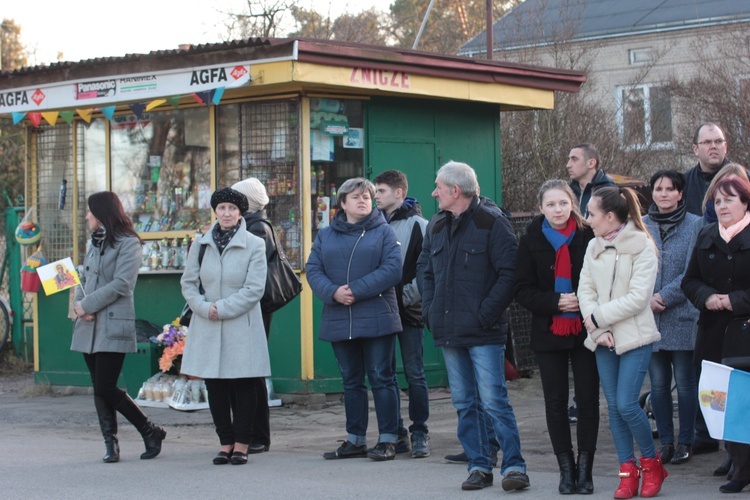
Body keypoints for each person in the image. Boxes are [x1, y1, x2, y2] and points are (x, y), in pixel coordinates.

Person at [417, 161, 530, 492]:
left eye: (438, 186)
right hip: (449, 330)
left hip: (484, 331)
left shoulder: (493, 223)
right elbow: (425, 269)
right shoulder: (436, 224)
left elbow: (510, 273)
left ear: (455, 190)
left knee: (494, 400)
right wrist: (430, 309)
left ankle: (514, 466)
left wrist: (485, 315)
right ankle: (479, 465)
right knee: (465, 402)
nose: (433, 192)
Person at [578, 186, 667, 499]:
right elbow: (584, 291)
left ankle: (651, 463)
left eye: (591, 213)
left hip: (635, 338)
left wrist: (598, 318)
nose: (587, 218)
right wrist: (597, 330)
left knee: (627, 404)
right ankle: (627, 472)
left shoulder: (642, 245)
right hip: (603, 339)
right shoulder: (592, 247)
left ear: (611, 216)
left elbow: (638, 298)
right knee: (614, 409)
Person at [306, 177, 403, 462]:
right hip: (339, 316)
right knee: (351, 381)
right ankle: (355, 439)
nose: (363, 201)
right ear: (343, 203)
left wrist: (355, 291)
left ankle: (388, 439)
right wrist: (333, 292)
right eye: (357, 197)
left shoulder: (384, 232)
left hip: (377, 317)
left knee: (381, 378)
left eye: (368, 197)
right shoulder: (325, 235)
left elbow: (393, 269)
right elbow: (313, 270)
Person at [513, 179, 599, 494]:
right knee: (555, 402)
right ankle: (566, 469)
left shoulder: (589, 234)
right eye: (551, 204)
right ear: (541, 208)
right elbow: (521, 288)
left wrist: (582, 301)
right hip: (548, 330)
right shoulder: (530, 239)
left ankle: (586, 470)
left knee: (588, 400)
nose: (558, 210)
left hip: (586, 328)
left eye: (563, 203)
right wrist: (555, 302)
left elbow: (604, 279)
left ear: (572, 203)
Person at [71, 191, 166, 463]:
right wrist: (80, 306)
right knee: (98, 386)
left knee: (106, 386)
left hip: (112, 325)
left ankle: (149, 430)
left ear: (102, 213)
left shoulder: (129, 243)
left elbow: (123, 284)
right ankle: (110, 444)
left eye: (90, 211)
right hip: (89, 327)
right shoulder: (94, 243)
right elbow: (84, 279)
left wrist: (87, 306)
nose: (87, 216)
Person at [180, 187, 270, 466]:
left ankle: (242, 444)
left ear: (241, 212)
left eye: (232, 208)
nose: (227, 213)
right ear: (215, 211)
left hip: (241, 323)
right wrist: (205, 308)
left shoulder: (255, 244)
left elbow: (255, 288)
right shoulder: (201, 243)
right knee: (215, 386)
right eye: (222, 209)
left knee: (244, 385)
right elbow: (188, 283)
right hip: (207, 322)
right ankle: (225, 442)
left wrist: (224, 308)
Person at [681, 176, 750, 494]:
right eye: (717, 201)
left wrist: (734, 301)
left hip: (745, 332)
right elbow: (689, 280)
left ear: (745, 203)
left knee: (745, 402)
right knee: (723, 403)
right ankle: (739, 465)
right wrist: (707, 296)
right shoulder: (707, 234)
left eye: (729, 200)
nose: (722, 206)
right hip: (712, 331)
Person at [642, 170, 700, 466]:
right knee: (659, 384)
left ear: (680, 193)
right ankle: (665, 442)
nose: (663, 194)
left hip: (682, 314)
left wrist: (664, 296)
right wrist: (646, 298)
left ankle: (686, 442)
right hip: (649, 317)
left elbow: (692, 270)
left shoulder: (695, 225)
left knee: (686, 384)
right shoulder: (641, 226)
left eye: (670, 189)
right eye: (658, 189)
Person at [372, 169, 431, 459]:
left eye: (380, 191)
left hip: (408, 312)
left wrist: (403, 299)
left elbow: (427, 270)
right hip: (380, 312)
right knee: (384, 374)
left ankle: (419, 430)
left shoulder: (421, 225)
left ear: (398, 193)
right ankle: (396, 433)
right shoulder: (371, 225)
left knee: (414, 373)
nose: (375, 196)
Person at [231, 177, 275, 455]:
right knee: (245, 372)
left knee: (250, 372)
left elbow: (245, 269)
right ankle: (246, 432)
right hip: (245, 306)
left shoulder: (256, 229)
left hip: (252, 307)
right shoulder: (249, 226)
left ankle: (257, 434)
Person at [683, 122, 731, 217]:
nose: (713, 146)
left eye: (718, 141)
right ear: (695, 149)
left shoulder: (743, 178)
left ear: (725, 147)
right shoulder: (684, 183)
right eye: (707, 142)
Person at [566, 143, 615, 218]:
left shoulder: (608, 193)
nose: (568, 165)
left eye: (574, 159)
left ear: (591, 163)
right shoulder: (569, 191)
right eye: (569, 159)